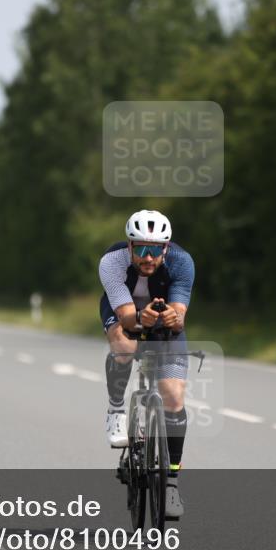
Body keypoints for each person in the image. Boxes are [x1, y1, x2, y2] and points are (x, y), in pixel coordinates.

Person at [98, 209, 194, 520]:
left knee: (174, 397)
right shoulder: (111, 262)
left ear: (166, 248)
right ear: (129, 246)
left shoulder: (182, 262)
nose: (148, 257)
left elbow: (179, 316)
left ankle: (171, 482)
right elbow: (127, 317)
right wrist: (141, 318)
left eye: (155, 250)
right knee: (124, 345)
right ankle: (116, 410)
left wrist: (172, 318)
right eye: (140, 249)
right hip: (125, 311)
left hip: (161, 317)